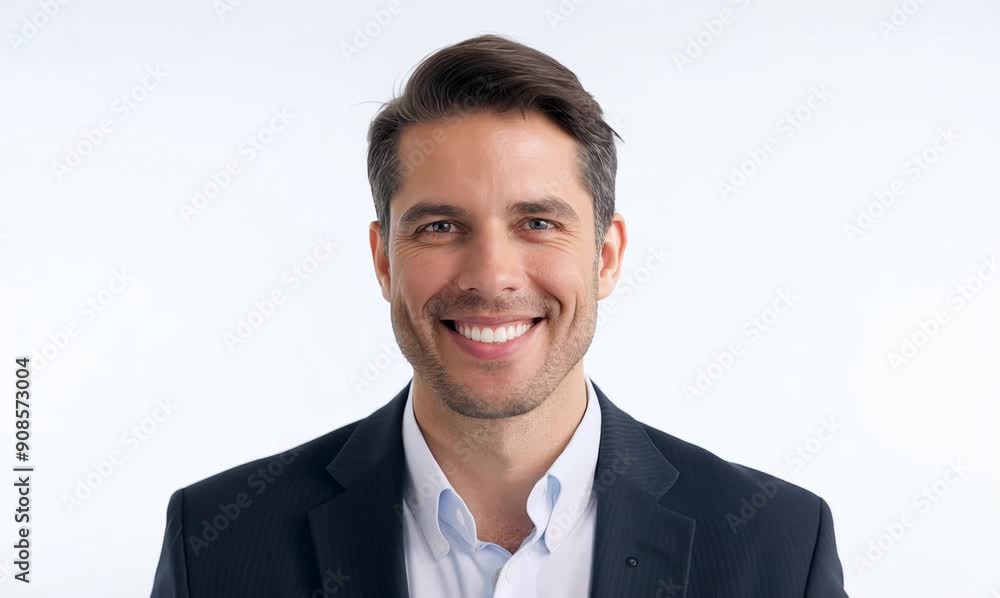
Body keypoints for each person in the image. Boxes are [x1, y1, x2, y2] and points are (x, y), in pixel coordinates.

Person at [150, 33, 848, 597]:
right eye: (440, 227)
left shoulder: (776, 549)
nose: (490, 276)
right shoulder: (220, 543)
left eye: (538, 222)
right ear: (384, 259)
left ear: (605, 258)